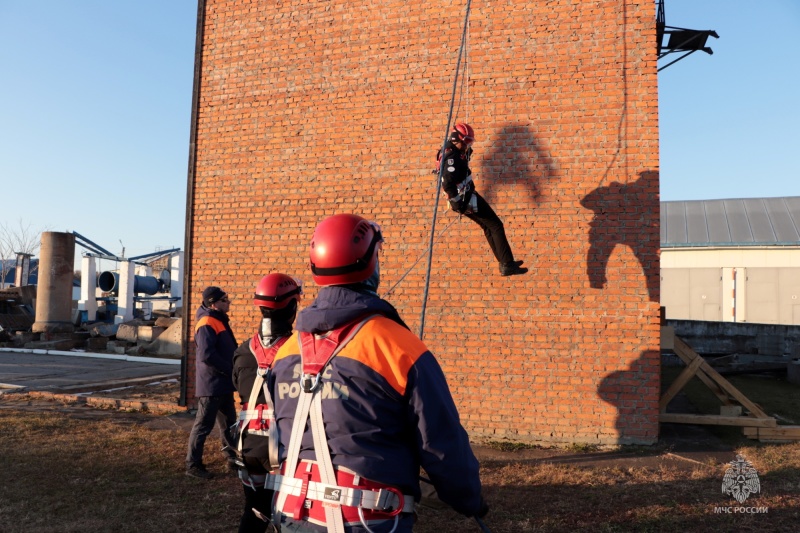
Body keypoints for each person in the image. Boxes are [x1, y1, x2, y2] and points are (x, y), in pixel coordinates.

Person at [265, 213, 488, 533]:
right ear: (371, 263)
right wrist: (469, 498)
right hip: (366, 520)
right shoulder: (398, 347)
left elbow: (279, 436)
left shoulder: (286, 354)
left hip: (292, 515)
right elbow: (441, 442)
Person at [231, 273, 302, 533]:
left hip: (248, 445)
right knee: (289, 516)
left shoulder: (242, 351)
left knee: (255, 511)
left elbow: (239, 388)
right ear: (292, 307)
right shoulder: (300, 351)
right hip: (286, 448)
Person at [438, 122, 527, 276]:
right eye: (465, 142)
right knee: (496, 225)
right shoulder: (451, 156)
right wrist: (456, 201)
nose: (467, 146)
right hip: (464, 198)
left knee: (488, 226)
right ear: (456, 139)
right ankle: (507, 264)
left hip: (464, 196)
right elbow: (447, 180)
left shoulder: (450, 150)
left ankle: (504, 261)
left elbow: (460, 165)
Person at [185, 286, 238, 480]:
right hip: (212, 384)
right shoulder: (207, 322)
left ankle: (232, 458)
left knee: (229, 425)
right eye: (225, 300)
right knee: (203, 425)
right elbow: (207, 355)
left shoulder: (218, 320)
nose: (228, 303)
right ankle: (193, 465)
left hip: (222, 383)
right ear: (213, 303)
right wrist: (228, 368)